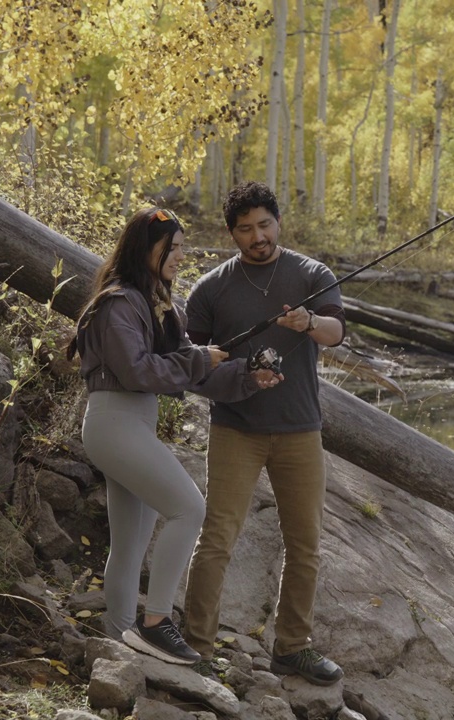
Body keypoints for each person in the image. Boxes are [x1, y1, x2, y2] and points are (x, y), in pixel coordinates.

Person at [71, 207, 281, 665]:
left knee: (129, 545)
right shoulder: (119, 303)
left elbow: (194, 373)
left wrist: (247, 376)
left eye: (184, 247)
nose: (182, 256)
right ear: (147, 249)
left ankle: (120, 642)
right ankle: (156, 624)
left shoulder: (160, 305)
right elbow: (138, 370)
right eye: (175, 247)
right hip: (114, 422)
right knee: (189, 508)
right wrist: (199, 360)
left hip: (131, 424)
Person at [182, 181, 346, 685]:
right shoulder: (210, 290)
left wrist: (308, 321)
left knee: (306, 544)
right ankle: (197, 648)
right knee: (216, 540)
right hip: (236, 429)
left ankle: (292, 647)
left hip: (300, 429)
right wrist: (237, 376)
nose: (258, 237)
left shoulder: (312, 274)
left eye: (265, 225)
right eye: (246, 229)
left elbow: (336, 333)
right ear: (232, 234)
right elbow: (190, 364)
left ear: (278, 222)